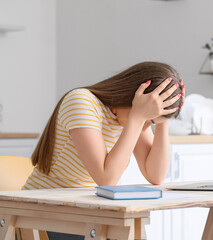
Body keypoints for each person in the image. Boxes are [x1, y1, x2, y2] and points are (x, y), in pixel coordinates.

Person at [21, 62, 185, 240]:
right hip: (42, 214)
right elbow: (106, 178)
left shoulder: (133, 120)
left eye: (151, 121)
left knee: (135, 232)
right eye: (148, 119)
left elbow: (156, 175)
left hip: (85, 212)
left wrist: (165, 118)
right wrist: (138, 117)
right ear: (135, 96)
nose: (146, 126)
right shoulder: (82, 101)